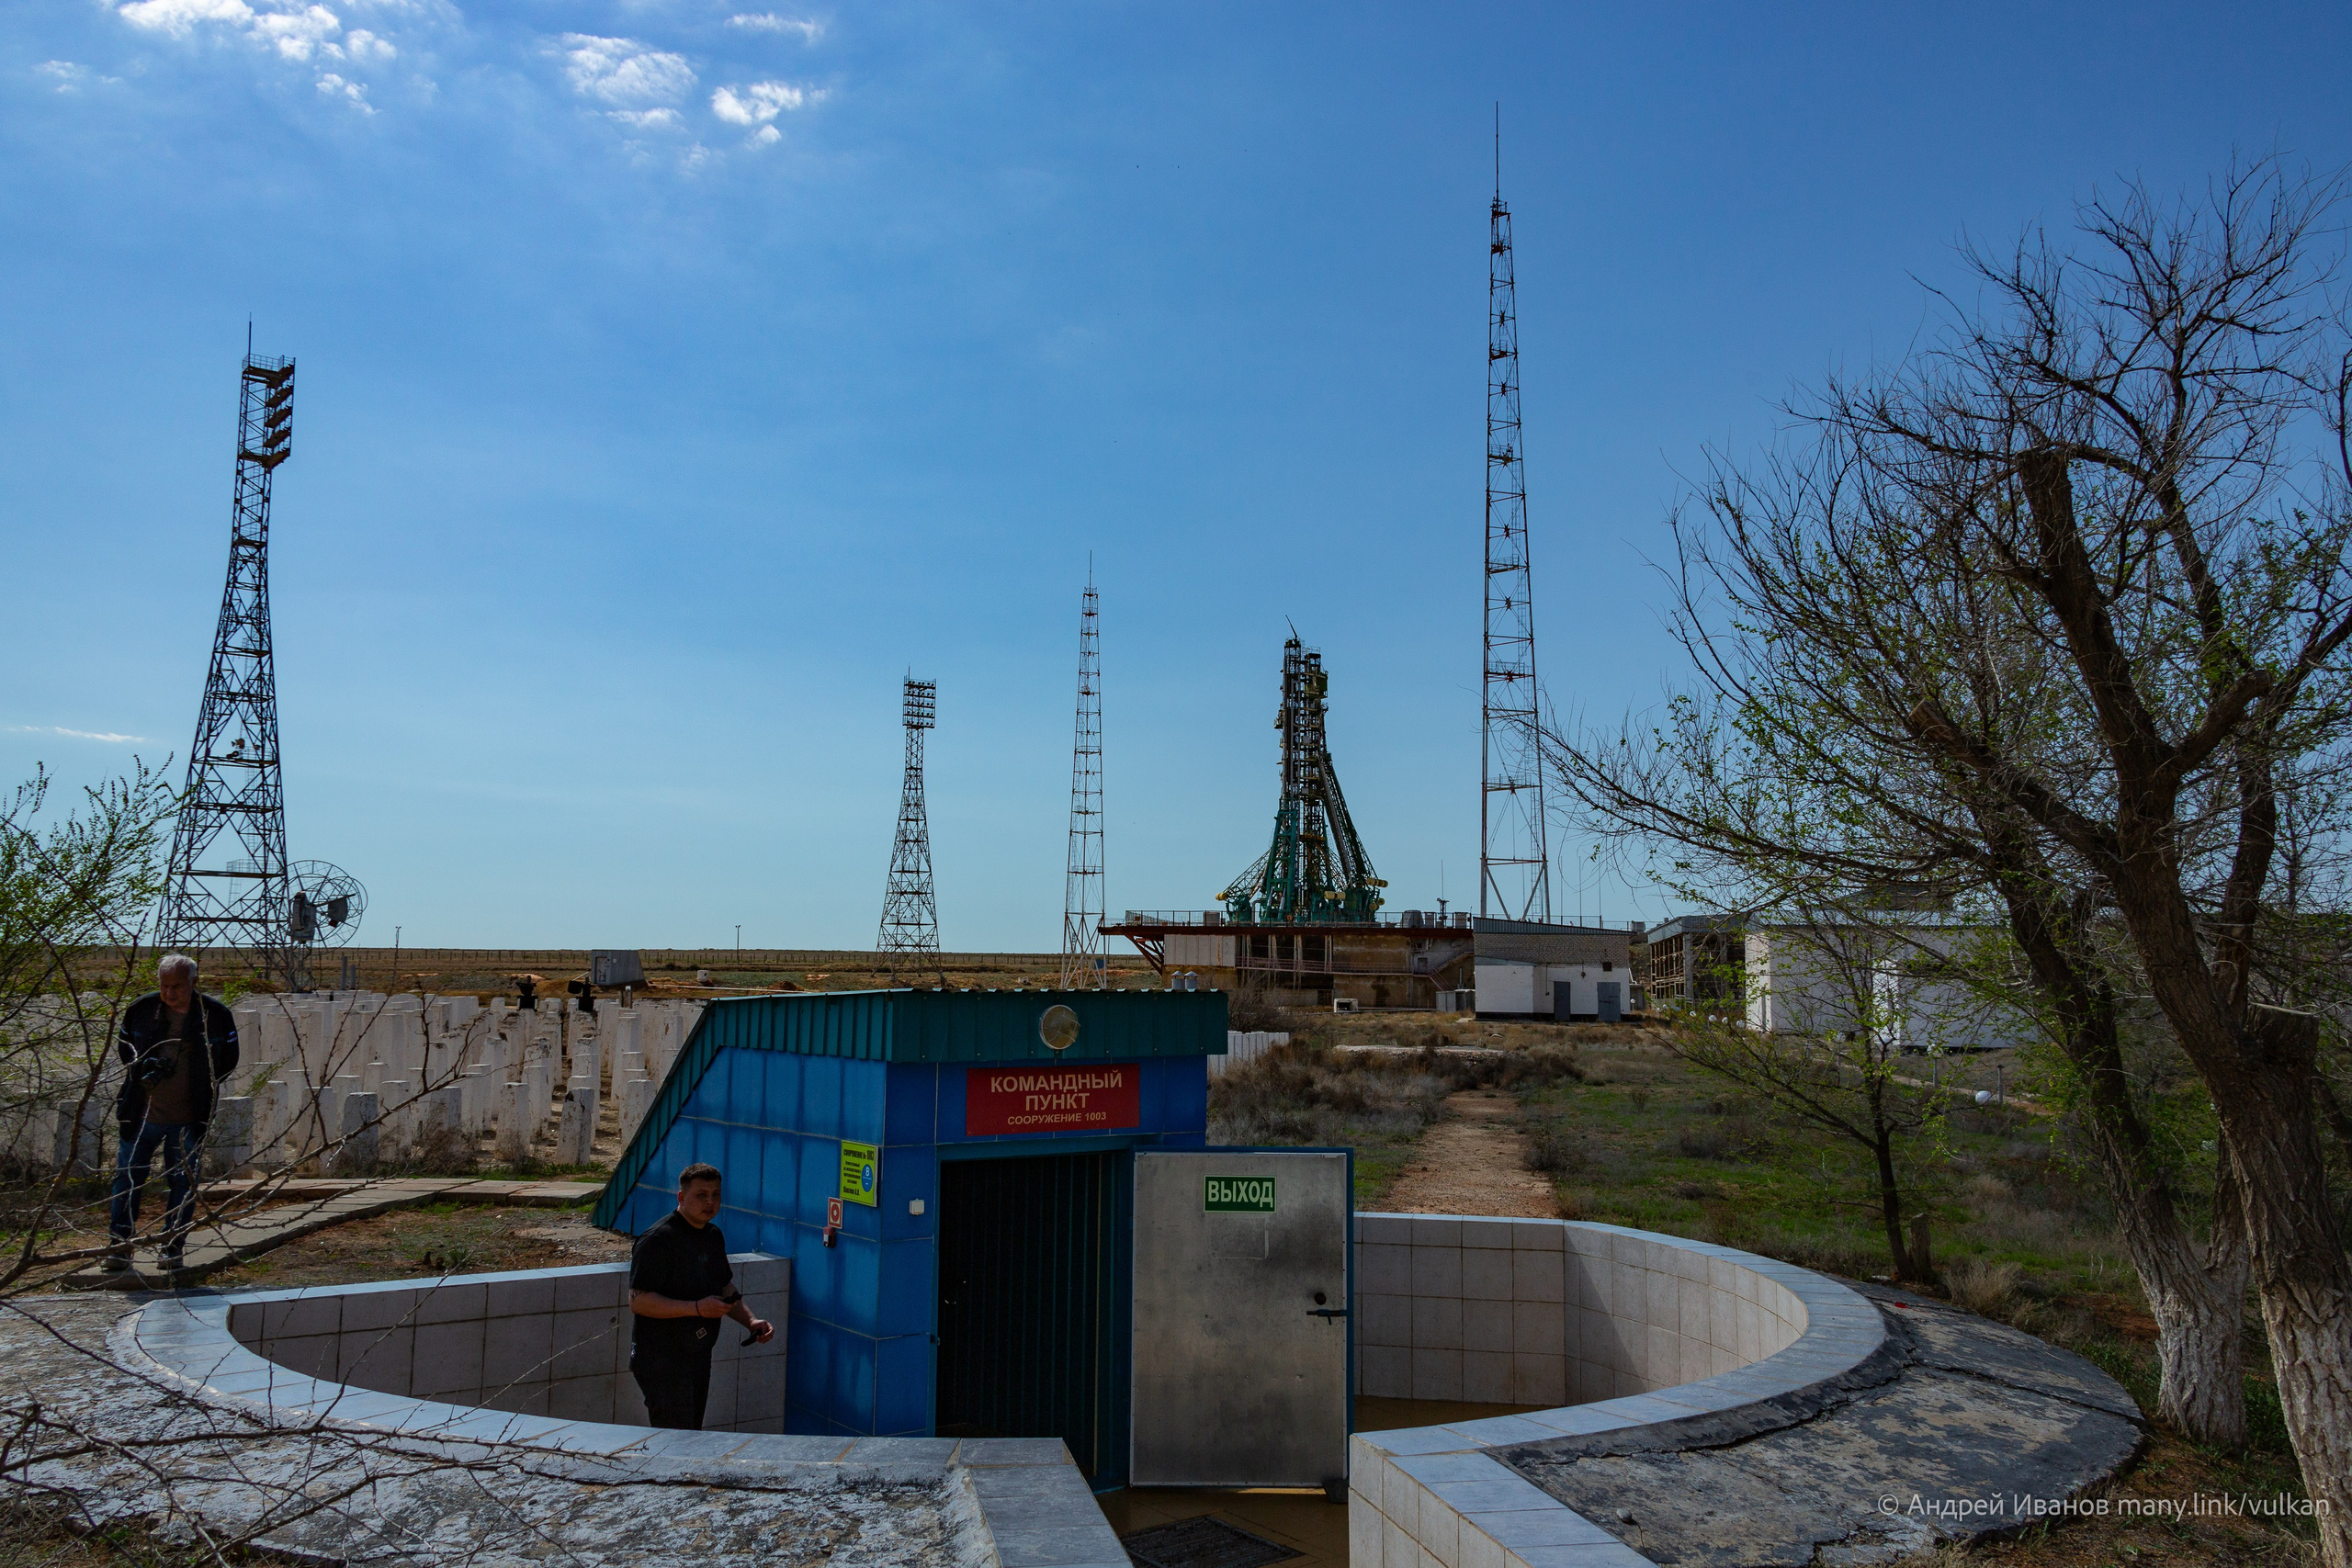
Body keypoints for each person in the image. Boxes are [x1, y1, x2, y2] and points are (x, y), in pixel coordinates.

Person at [107, 953, 240, 1274]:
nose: (170, 993)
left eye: (177, 986)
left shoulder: (215, 1015)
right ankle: (119, 1247)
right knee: (127, 1180)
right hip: (140, 1115)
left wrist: (199, 1081)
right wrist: (144, 1069)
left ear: (194, 983)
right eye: (164, 986)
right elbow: (126, 1049)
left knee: (182, 1185)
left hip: (188, 1117)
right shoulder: (141, 1009)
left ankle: (172, 1248)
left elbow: (228, 1059)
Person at [628, 1162, 774, 1428]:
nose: (710, 1202)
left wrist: (751, 1322)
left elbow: (725, 1287)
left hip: (696, 1353)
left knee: (692, 1433)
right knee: (674, 1435)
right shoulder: (658, 1239)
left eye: (715, 1194)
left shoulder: (712, 1235)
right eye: (701, 1195)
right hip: (661, 1359)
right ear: (682, 1197)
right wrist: (696, 1308)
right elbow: (638, 1301)